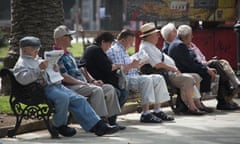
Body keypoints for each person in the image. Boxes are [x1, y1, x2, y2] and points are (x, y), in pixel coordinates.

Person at [13, 36, 119, 137]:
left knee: (79, 99)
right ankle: (59, 125)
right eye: (34, 49)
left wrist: (54, 68)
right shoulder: (22, 63)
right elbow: (23, 80)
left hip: (55, 85)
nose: (36, 52)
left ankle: (98, 126)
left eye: (37, 49)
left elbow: (48, 71)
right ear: (24, 50)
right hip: (42, 89)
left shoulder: (36, 59)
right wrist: (38, 69)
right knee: (63, 98)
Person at [53, 25, 125, 130]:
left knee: (109, 88)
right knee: (96, 90)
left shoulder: (68, 53)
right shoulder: (56, 55)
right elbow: (64, 77)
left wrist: (92, 80)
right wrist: (83, 83)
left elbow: (82, 68)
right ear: (62, 39)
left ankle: (111, 120)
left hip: (81, 84)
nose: (72, 39)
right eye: (69, 37)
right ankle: (100, 123)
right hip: (70, 86)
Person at [139, 22, 211, 115]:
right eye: (156, 35)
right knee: (188, 79)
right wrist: (173, 69)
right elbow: (157, 64)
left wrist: (174, 68)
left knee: (196, 77)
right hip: (166, 74)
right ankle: (191, 107)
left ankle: (197, 104)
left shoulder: (151, 46)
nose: (158, 37)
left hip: (170, 72)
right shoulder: (146, 47)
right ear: (150, 36)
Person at [107, 29, 174, 123]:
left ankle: (157, 110)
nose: (132, 44)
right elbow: (118, 71)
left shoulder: (123, 50)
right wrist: (132, 66)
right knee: (146, 80)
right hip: (124, 80)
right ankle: (146, 113)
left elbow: (128, 67)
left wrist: (137, 65)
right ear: (123, 40)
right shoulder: (115, 50)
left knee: (158, 78)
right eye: (131, 41)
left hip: (133, 77)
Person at [168, 24, 239, 110]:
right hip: (186, 71)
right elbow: (191, 64)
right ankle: (226, 95)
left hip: (192, 68)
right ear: (186, 36)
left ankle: (225, 96)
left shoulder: (179, 43)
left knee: (217, 65)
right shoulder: (180, 45)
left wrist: (206, 68)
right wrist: (206, 69)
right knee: (215, 66)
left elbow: (193, 62)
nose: (192, 37)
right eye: (191, 35)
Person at [81, 32, 129, 123]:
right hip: (97, 81)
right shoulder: (96, 50)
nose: (110, 46)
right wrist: (116, 66)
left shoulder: (97, 50)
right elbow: (107, 68)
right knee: (120, 92)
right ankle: (111, 120)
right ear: (103, 42)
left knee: (122, 92)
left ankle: (111, 119)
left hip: (100, 80)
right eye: (109, 43)